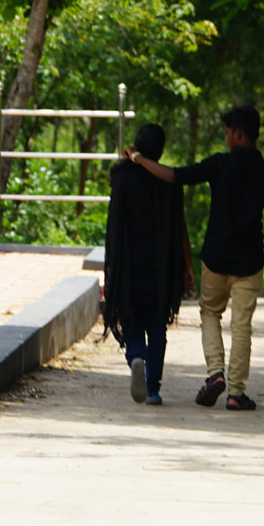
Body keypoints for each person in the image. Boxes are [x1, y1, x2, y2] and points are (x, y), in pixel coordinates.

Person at [123, 105, 264, 412]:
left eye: (228, 133)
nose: (226, 138)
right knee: (242, 327)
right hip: (250, 261)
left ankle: (215, 373)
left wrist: (137, 158)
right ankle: (237, 393)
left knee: (210, 313)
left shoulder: (220, 165)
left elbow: (174, 176)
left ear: (238, 133)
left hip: (215, 257)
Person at [103, 123, 193, 406]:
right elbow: (180, 227)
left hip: (128, 263)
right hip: (161, 264)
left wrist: (110, 271)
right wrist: (187, 266)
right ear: (161, 149)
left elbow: (113, 227)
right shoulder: (168, 180)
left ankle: (135, 358)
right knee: (157, 324)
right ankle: (153, 388)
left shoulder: (121, 178)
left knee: (130, 317)